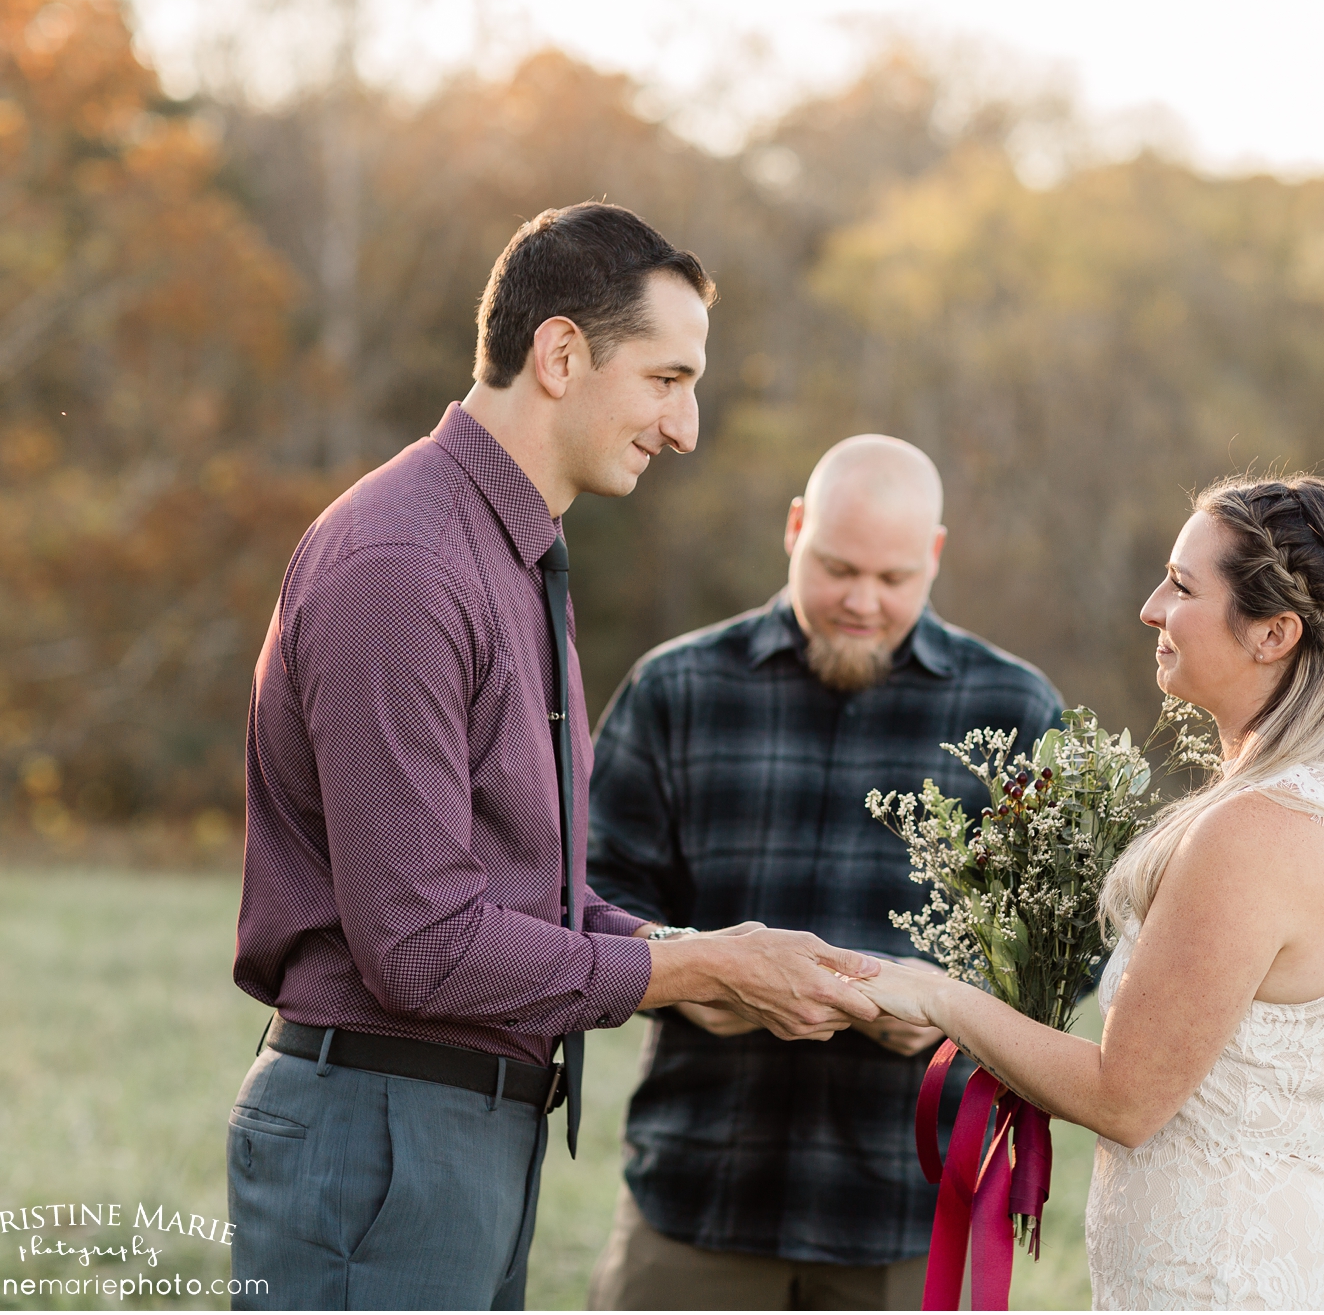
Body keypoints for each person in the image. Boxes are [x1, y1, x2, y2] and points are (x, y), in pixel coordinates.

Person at [228, 203, 884, 1312]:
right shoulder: (403, 564)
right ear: (563, 353)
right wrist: (692, 970)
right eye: (665, 380)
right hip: (385, 1140)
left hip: (460, 1136)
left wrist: (699, 954)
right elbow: (423, 949)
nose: (684, 428)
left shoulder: (513, 555)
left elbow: (523, 893)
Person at [857, 474, 1324, 1311]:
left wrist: (938, 996)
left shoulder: (1257, 831)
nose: (1150, 608)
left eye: (1182, 587)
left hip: (1219, 1282)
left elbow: (1127, 1096)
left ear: (1273, 633)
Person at [584, 435, 1065, 1310]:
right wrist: (684, 971)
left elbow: (1067, 944)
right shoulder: (677, 689)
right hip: (699, 1195)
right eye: (838, 568)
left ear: (935, 557)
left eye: (893, 579)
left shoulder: (1017, 711)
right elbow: (585, 890)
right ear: (795, 527)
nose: (861, 601)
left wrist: (958, 1010)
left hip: (908, 1215)